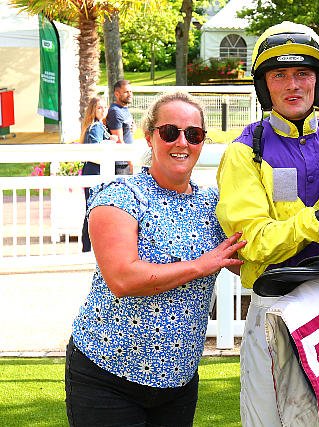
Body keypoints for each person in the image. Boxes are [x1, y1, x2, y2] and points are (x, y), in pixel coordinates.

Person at [215, 22, 319, 426]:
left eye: (303, 73)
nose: (292, 85)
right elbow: (254, 242)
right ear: (263, 85)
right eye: (279, 75)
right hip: (274, 308)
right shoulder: (244, 153)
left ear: (318, 82)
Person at [65, 91, 246, 426]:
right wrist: (201, 265)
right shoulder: (120, 197)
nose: (182, 142)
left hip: (178, 381)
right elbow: (123, 279)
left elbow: (251, 260)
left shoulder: (213, 204)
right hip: (107, 375)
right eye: (169, 132)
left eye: (193, 134)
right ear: (149, 136)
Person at [79, 96, 117, 252]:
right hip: (94, 169)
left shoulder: (100, 126)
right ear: (93, 110)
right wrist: (111, 141)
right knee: (93, 208)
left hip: (94, 169)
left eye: (104, 107)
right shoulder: (95, 127)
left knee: (93, 207)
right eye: (99, 108)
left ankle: (88, 245)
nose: (102, 110)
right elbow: (96, 149)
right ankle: (88, 246)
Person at [106, 79, 135, 174]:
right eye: (126, 92)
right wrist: (131, 163)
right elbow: (119, 141)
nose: (130, 94)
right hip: (120, 163)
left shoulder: (124, 109)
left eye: (131, 91)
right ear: (117, 94)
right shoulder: (115, 111)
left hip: (126, 160)